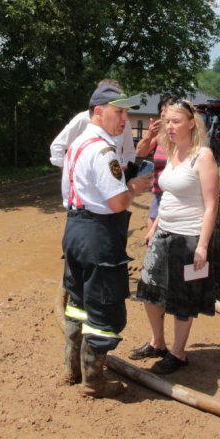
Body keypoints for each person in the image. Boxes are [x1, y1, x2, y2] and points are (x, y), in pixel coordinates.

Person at [61, 83, 154, 398]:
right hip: (98, 235)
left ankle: (71, 369)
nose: (125, 118)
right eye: (120, 111)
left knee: (78, 303)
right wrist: (136, 187)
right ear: (99, 112)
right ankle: (94, 382)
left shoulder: (77, 145)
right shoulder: (103, 150)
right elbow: (116, 203)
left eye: (126, 111)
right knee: (104, 309)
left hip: (74, 228)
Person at [129, 98, 219, 374]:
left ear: (191, 123)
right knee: (149, 289)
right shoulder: (171, 152)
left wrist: (202, 246)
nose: (169, 126)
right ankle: (158, 342)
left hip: (189, 239)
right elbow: (165, 195)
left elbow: (212, 205)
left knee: (184, 298)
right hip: (164, 233)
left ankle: (179, 354)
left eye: (176, 121)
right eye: (167, 121)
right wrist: (154, 227)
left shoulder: (202, 156)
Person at [49, 79, 136, 169]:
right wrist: (70, 172)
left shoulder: (124, 122)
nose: (124, 117)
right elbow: (57, 146)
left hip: (114, 178)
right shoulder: (82, 119)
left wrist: (125, 172)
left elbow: (129, 151)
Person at [135, 94, 179, 231]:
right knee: (152, 238)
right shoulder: (159, 136)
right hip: (159, 193)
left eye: (166, 110)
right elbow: (140, 152)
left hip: (177, 196)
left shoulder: (184, 137)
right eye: (161, 111)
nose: (163, 114)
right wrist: (149, 135)